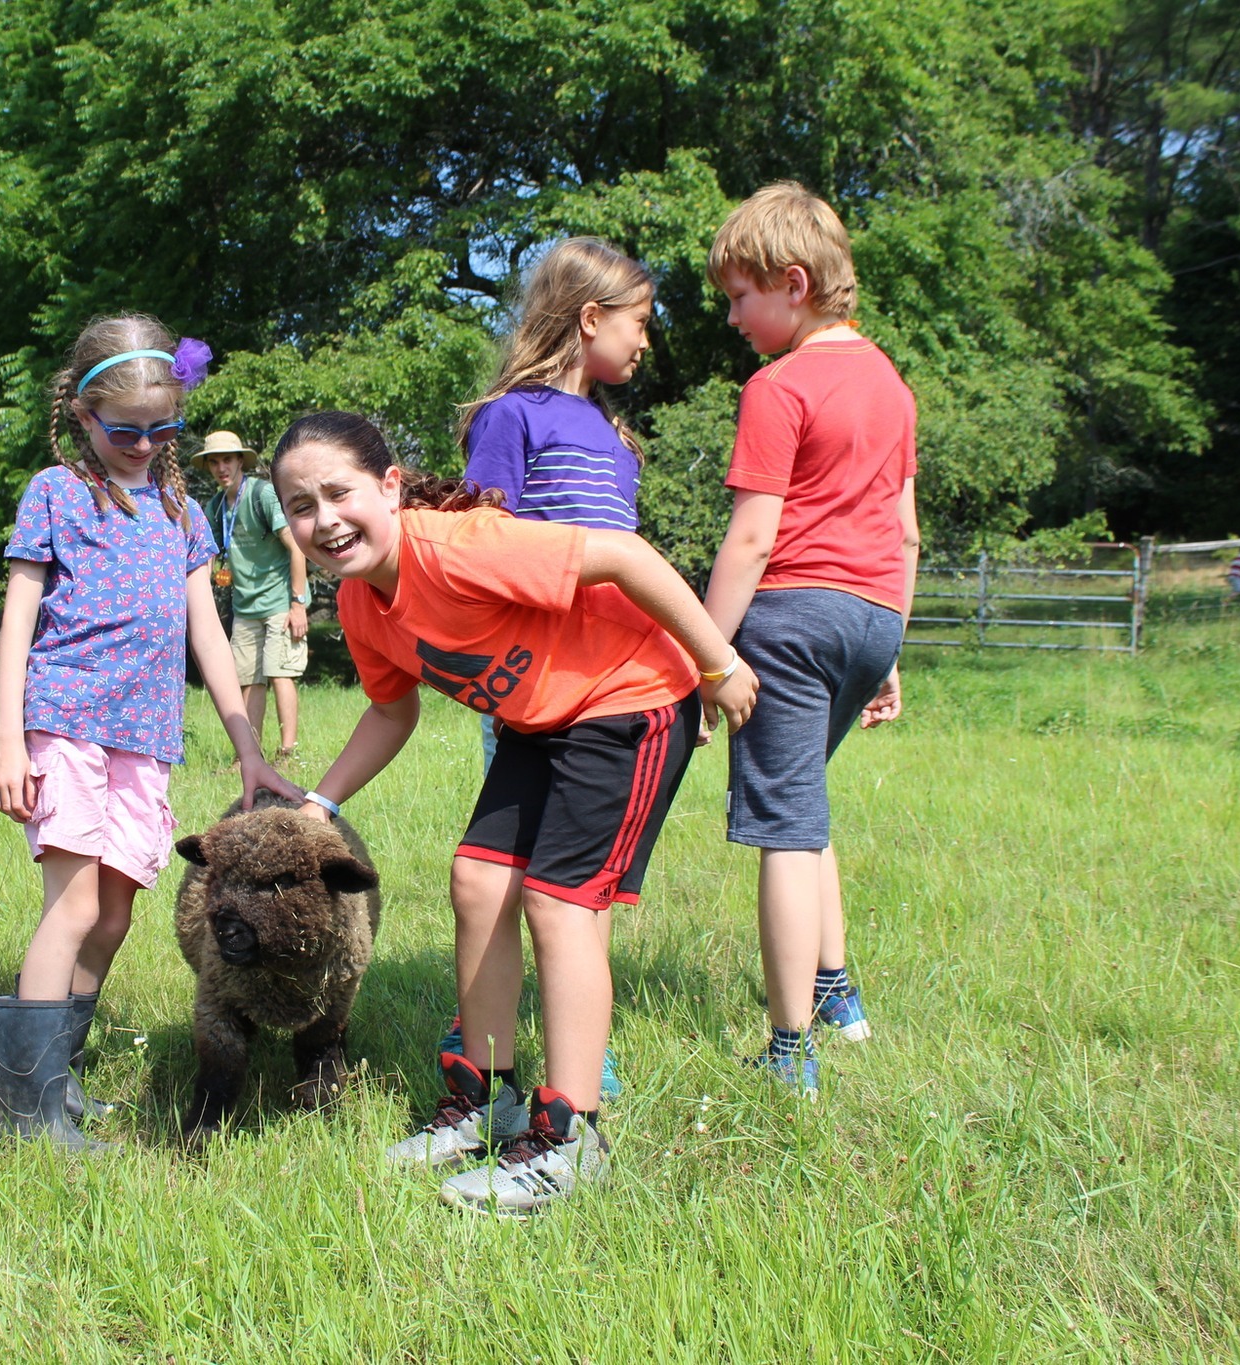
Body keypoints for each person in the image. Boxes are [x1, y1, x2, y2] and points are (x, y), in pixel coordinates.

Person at [271, 410, 758, 1217]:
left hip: (631, 698)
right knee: (478, 882)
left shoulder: (457, 546)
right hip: (542, 722)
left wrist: (718, 661)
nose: (322, 520)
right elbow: (393, 715)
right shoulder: (363, 605)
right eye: (299, 506)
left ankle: (572, 1137)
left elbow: (625, 554)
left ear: (390, 487)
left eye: (338, 493)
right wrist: (322, 802)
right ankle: (485, 1100)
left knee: (559, 901)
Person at [0, 317, 299, 1150]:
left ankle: (60, 1067)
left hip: (144, 735)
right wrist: (8, 739)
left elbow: (208, 631)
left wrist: (248, 745)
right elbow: (17, 622)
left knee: (116, 910)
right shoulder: (55, 492)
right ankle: (28, 1111)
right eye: (125, 431)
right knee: (75, 902)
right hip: (64, 721)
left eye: (163, 429)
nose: (145, 444)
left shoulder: (181, 508)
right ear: (84, 416)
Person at [700, 182, 921, 1094]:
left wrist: (707, 653)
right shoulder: (892, 385)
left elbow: (754, 535)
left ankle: (791, 1052)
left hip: (792, 619)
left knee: (784, 829)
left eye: (739, 297)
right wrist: (890, 647)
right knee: (808, 801)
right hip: (872, 615)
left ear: (793, 283)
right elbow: (904, 530)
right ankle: (839, 994)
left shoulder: (779, 384)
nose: (733, 317)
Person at [432, 235, 658, 1102]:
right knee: (496, 875)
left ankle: (576, 1065)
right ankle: (483, 1050)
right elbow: (485, 542)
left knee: (571, 889)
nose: (645, 343)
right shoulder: (511, 416)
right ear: (590, 318)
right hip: (538, 689)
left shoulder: (610, 431)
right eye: (638, 323)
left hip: (618, 690)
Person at [196, 429, 310, 763]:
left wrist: (297, 604)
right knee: (248, 680)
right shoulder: (215, 507)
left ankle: (287, 751)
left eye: (227, 460)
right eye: (214, 462)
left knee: (280, 673)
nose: (221, 468)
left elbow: (297, 549)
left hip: (279, 602)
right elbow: (209, 557)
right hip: (244, 606)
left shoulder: (262, 494)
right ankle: (249, 756)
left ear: (239, 461)